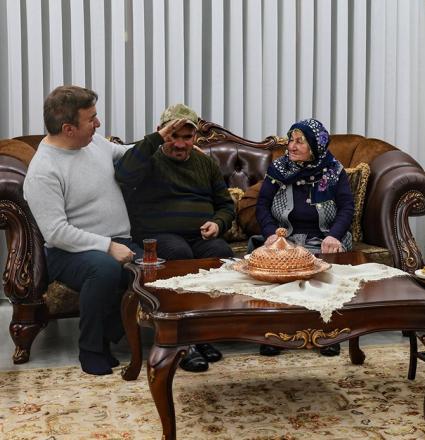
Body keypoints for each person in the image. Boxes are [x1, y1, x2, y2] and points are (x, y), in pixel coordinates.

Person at [23, 85, 150, 375]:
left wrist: (161, 145)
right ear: (68, 129)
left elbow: (126, 153)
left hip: (118, 241)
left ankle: (108, 335)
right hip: (68, 252)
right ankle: (91, 349)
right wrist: (108, 246)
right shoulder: (43, 171)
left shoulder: (93, 144)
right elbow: (56, 233)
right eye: (91, 119)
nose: (98, 123)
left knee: (154, 269)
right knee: (104, 268)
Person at [115, 103, 235, 373]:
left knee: (221, 252)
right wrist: (156, 140)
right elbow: (123, 173)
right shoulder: (148, 159)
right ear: (161, 132)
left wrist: (218, 223)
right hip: (157, 236)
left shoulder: (206, 163)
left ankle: (203, 334)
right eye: (173, 136)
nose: (180, 144)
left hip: (199, 236)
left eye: (187, 137)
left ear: (196, 137)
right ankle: (183, 341)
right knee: (179, 254)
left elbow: (226, 205)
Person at [253, 118, 355, 357]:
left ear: (315, 146)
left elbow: (347, 207)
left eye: (300, 141)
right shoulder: (279, 168)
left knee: (323, 276)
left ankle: (327, 332)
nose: (291, 146)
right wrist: (270, 234)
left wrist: (334, 236)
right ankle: (274, 333)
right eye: (291, 140)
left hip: (322, 237)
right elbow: (262, 204)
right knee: (275, 275)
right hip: (284, 238)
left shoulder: (333, 170)